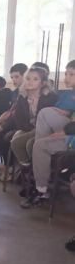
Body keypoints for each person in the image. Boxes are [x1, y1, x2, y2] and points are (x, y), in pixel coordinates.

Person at [0, 66, 57, 173]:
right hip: (28, 127)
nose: (30, 82)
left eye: (35, 79)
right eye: (28, 78)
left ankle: (25, 170)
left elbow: (47, 119)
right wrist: (24, 128)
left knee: (17, 141)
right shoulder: (22, 96)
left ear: (43, 83)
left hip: (44, 128)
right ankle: (20, 168)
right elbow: (19, 117)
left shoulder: (49, 97)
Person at [21, 59, 75, 208]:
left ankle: (35, 177)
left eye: (71, 74)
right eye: (66, 73)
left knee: (45, 114)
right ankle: (41, 190)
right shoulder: (67, 94)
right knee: (39, 144)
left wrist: (65, 124)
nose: (66, 77)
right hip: (67, 135)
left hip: (70, 136)